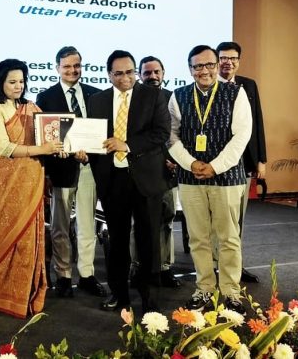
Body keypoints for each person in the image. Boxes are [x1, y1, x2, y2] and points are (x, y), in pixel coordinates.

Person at [169, 45, 251, 314]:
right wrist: (191, 163)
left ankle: (231, 291)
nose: (204, 70)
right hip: (190, 176)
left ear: (217, 66)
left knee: (228, 238)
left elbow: (242, 135)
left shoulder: (236, 93)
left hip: (227, 177)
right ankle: (204, 287)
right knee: (198, 237)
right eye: (198, 66)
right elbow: (171, 136)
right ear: (190, 69)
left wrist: (214, 167)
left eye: (209, 65)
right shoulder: (178, 96)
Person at [87, 50, 170, 314]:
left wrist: (127, 144)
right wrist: (82, 151)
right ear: (109, 74)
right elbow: (92, 138)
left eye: (130, 72)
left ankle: (149, 299)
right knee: (116, 242)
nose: (126, 78)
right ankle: (119, 295)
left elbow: (161, 133)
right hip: (112, 181)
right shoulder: (96, 100)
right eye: (119, 73)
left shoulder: (154, 96)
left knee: (148, 242)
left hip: (146, 180)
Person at [0, 59, 60, 318]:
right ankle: (2, 293)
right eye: (12, 82)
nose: (18, 86)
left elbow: (50, 136)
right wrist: (42, 149)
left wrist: (62, 147)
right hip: (7, 184)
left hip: (31, 181)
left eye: (21, 81)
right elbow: (3, 148)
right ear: (0, 82)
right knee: (7, 234)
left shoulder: (31, 108)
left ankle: (27, 293)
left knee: (29, 238)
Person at [35, 46, 105, 298]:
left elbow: (100, 132)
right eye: (67, 66)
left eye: (76, 66)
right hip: (62, 168)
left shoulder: (96, 94)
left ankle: (86, 275)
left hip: (90, 167)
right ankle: (63, 276)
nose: (72, 70)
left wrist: (90, 152)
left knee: (87, 224)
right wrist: (64, 151)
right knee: (60, 226)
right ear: (57, 68)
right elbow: (45, 135)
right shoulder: (46, 97)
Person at [216, 41, 266, 284]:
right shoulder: (208, 85)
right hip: (217, 163)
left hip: (243, 162)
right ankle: (216, 265)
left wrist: (261, 159)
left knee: (239, 219)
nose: (228, 62)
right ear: (217, 61)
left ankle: (236, 266)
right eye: (223, 58)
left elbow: (257, 122)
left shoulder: (249, 85)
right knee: (218, 218)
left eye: (233, 58)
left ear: (239, 61)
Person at [130, 56, 181, 288]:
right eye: (147, 72)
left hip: (167, 171)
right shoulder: (133, 99)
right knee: (139, 222)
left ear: (163, 73)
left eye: (156, 72)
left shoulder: (173, 98)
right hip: (141, 171)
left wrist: (174, 160)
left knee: (167, 219)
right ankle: (137, 266)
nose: (152, 76)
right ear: (140, 75)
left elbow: (179, 133)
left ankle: (164, 268)